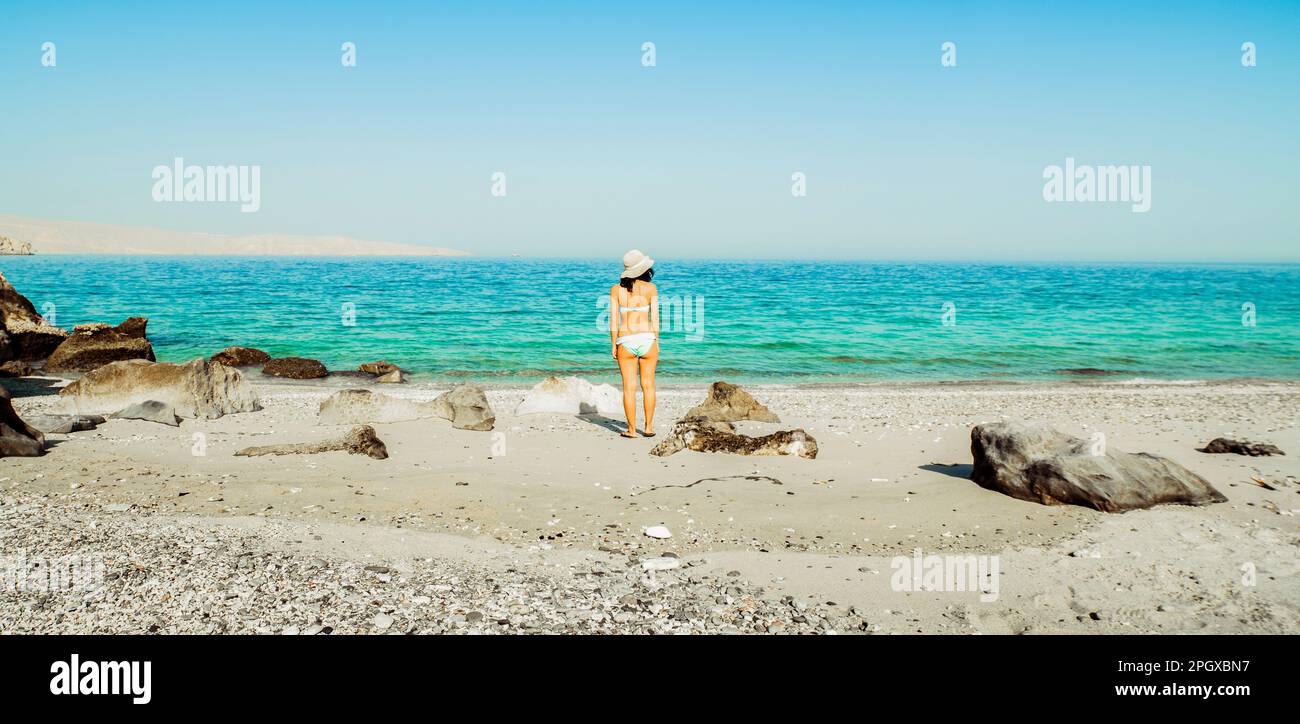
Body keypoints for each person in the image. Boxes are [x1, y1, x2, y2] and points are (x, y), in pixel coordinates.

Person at [609, 249, 659, 438]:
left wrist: (613, 344)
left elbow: (613, 320)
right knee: (649, 385)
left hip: (625, 340)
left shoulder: (615, 290)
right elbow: (655, 318)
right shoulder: (651, 289)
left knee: (629, 388)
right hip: (647, 339)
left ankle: (631, 430)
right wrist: (657, 341)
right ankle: (648, 428)